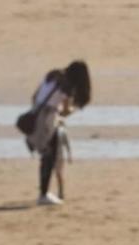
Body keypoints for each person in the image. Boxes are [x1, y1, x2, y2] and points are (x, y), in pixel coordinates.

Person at [20, 59, 91, 207]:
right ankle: (44, 195)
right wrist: (70, 110)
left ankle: (45, 193)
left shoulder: (52, 76)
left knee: (47, 154)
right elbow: (65, 110)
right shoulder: (68, 86)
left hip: (37, 111)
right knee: (49, 156)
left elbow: (34, 97)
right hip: (48, 118)